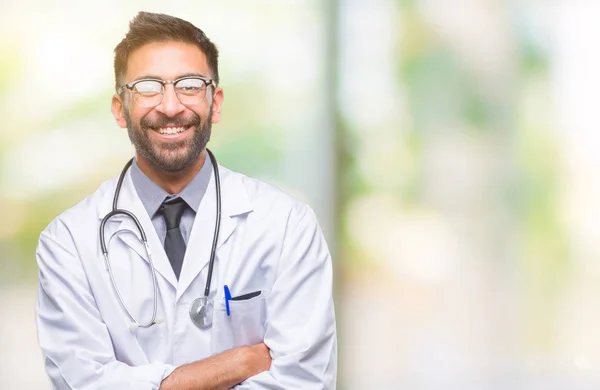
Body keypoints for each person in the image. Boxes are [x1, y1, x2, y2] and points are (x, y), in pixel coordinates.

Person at [35, 11, 337, 390]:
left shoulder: (287, 226)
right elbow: (83, 383)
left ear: (216, 102)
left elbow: (302, 381)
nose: (171, 106)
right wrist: (237, 363)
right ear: (119, 109)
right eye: (147, 87)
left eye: (190, 85)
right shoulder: (68, 242)